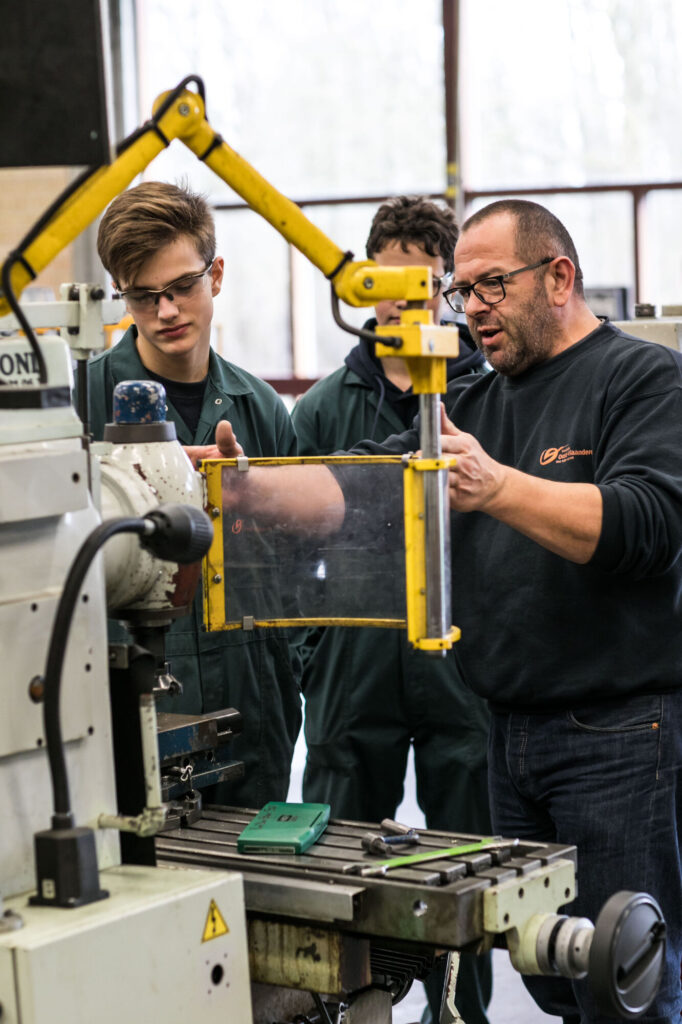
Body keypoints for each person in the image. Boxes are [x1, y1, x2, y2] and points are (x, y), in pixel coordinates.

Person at [217, 199, 682, 1021]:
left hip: (616, 735)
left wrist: (498, 486)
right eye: (463, 291)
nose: (471, 309)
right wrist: (240, 487)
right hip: (510, 732)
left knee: (626, 972)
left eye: (491, 286)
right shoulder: (475, 397)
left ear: (559, 277)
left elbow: (645, 526)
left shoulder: (642, 379)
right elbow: (364, 486)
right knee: (553, 972)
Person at [291, 195, 493, 1024]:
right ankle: (343, 1008)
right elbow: (284, 553)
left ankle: (465, 1013)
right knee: (340, 859)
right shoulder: (324, 409)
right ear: (364, 280)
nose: (404, 301)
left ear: (448, 287)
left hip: (463, 663)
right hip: (354, 663)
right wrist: (313, 655)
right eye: (387, 282)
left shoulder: (489, 397)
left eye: (424, 284)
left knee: (469, 866)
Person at [86, 181, 301, 810]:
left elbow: (297, 564)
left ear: (217, 274)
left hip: (252, 698)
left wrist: (291, 674)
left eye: (181, 287)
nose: (166, 311)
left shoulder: (259, 408)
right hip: (128, 688)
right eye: (143, 295)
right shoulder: (82, 398)